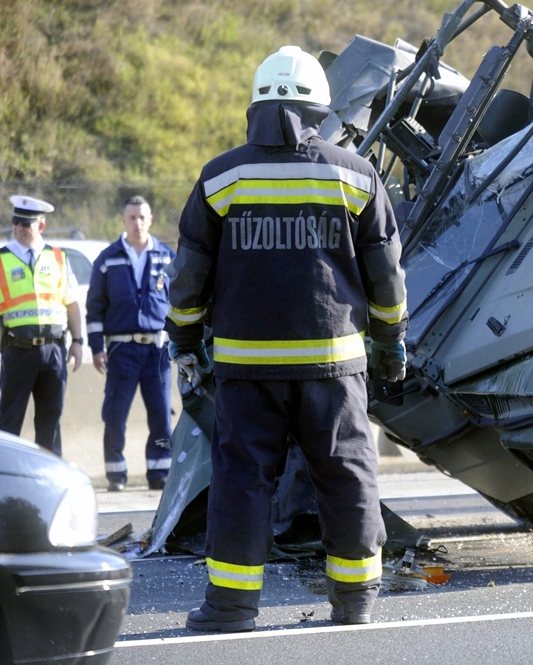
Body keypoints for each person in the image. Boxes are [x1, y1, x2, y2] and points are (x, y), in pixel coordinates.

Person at [165, 46, 409, 633]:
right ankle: (354, 602)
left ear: (255, 106)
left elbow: (190, 275)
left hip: (247, 371)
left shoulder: (222, 176)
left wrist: (186, 339)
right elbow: (386, 273)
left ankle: (230, 607)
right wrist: (390, 340)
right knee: (346, 474)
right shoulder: (354, 174)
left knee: (243, 483)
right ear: (319, 108)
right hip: (335, 365)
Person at [86, 196, 175, 491]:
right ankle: (116, 474)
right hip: (121, 350)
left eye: (142, 217)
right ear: (123, 221)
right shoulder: (107, 258)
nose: (137, 222)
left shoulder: (167, 257)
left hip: (158, 351)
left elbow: (181, 303)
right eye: (132, 217)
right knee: (115, 415)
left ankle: (159, 471)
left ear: (150, 220)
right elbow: (95, 307)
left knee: (162, 414)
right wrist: (97, 347)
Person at [0, 196, 85, 455]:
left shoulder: (58, 257)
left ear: (41, 226)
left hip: (54, 351)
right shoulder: (2, 259)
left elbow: (71, 303)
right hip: (18, 350)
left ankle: (48, 483)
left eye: (26, 224)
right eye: (16, 223)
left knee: (50, 423)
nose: (19, 228)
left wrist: (79, 342)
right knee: (9, 422)